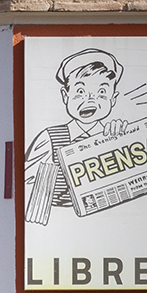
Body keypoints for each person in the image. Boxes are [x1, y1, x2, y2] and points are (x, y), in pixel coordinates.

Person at [24, 48, 131, 225]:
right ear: (65, 95)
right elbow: (28, 189)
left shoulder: (115, 136)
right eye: (80, 91)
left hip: (108, 228)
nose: (90, 100)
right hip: (61, 228)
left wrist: (123, 141)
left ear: (114, 99)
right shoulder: (50, 139)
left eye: (102, 92)